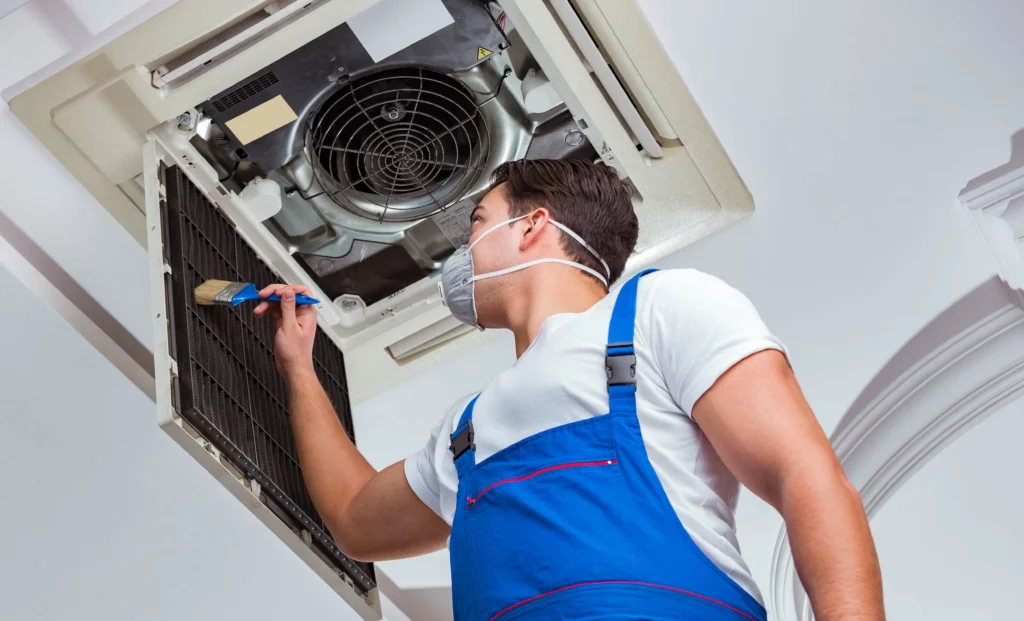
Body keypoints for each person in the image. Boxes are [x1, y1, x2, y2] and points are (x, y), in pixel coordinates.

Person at [254, 159, 884, 621]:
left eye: (478, 222)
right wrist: (301, 369)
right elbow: (355, 519)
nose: (462, 253)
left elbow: (804, 477)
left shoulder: (658, 309)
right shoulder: (464, 431)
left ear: (533, 226)